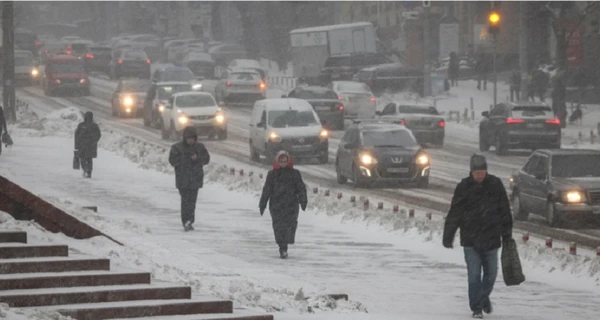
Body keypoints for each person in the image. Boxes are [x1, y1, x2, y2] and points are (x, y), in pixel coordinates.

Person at [442, 154, 513, 319]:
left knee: (491, 275)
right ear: (471, 172)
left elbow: (504, 209)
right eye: (477, 173)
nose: (480, 175)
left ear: (486, 172)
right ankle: (477, 308)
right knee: (474, 275)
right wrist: (448, 235)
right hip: (470, 240)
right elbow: (455, 212)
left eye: (482, 172)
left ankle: (482, 298)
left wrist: (506, 233)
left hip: (491, 239)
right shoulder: (464, 187)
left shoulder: (495, 185)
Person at [259, 150, 307, 259]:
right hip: (277, 205)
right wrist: (263, 203)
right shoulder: (272, 174)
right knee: (278, 227)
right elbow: (267, 190)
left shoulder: (294, 174)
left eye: (285, 160)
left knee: (290, 226)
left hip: (291, 205)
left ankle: (285, 245)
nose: (283, 163)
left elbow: (301, 188)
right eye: (281, 161)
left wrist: (303, 200)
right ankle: (282, 247)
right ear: (277, 161)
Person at [168, 126, 210, 231]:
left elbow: (206, 159)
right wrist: (185, 159)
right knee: (185, 201)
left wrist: (198, 158)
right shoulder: (177, 148)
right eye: (189, 138)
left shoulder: (200, 148)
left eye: (193, 138)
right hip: (183, 180)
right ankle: (186, 220)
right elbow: (173, 161)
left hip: (195, 179)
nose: (191, 140)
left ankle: (190, 220)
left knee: (192, 201)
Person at [74, 111, 101, 178]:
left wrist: (76, 145)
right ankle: (89, 172)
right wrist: (94, 141)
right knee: (89, 159)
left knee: (83, 159)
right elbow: (98, 135)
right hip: (91, 146)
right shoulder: (94, 126)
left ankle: (86, 170)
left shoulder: (81, 125)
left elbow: (76, 135)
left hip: (83, 146)